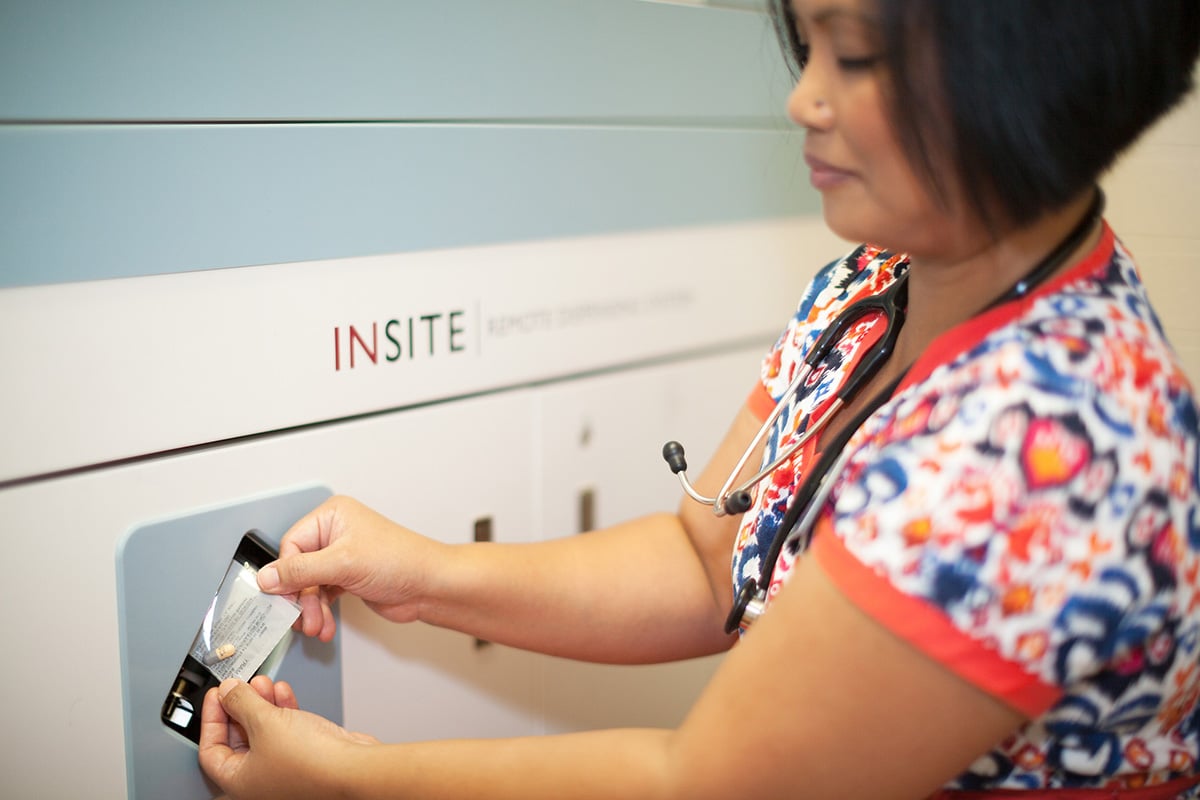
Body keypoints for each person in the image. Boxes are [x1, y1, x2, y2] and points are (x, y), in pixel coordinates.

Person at [198, 1, 1200, 797]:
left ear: (1032, 70)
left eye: (852, 57)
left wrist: (348, 780)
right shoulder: (874, 288)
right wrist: (426, 574)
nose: (803, 100)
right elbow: (706, 561)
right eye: (805, 45)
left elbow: (708, 780)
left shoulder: (1052, 443)